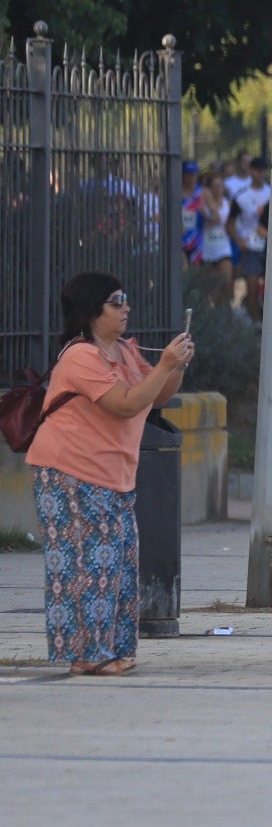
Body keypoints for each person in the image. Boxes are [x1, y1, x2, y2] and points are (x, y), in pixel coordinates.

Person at [26, 273, 194, 676]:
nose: (125, 308)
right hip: (69, 471)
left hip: (112, 475)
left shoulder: (123, 350)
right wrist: (165, 365)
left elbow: (159, 395)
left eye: (126, 300)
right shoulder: (81, 356)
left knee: (116, 564)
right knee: (82, 567)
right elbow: (124, 404)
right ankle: (85, 654)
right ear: (90, 311)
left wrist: (177, 366)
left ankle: (112, 650)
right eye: (116, 302)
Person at [230, 156, 271, 320]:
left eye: (263, 171)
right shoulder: (241, 196)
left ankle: (267, 320)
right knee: (252, 285)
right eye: (257, 170)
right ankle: (255, 322)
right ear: (251, 171)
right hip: (250, 246)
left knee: (270, 288)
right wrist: (238, 240)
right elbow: (230, 222)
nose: (260, 174)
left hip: (270, 245)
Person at [196, 170, 234, 301]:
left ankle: (226, 308)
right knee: (209, 287)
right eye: (215, 186)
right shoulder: (204, 205)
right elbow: (210, 218)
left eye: (220, 186)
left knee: (226, 280)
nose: (218, 189)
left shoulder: (227, 203)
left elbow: (225, 222)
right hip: (207, 247)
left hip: (223, 246)